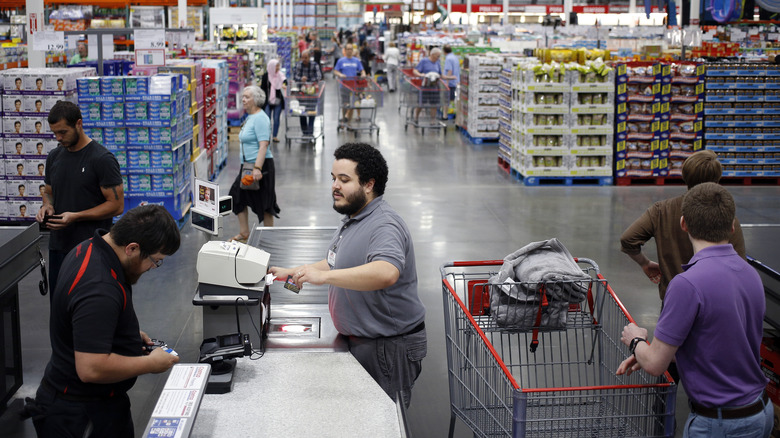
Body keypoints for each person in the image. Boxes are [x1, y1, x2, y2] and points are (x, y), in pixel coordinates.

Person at [269, 143, 427, 408]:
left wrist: (325, 279)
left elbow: (386, 272)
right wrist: (293, 272)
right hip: (366, 340)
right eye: (333, 179)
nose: (335, 186)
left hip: (387, 347)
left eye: (344, 180)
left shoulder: (384, 225)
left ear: (368, 184)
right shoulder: (355, 218)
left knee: (381, 420)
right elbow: (336, 262)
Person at [617, 182, 772, 438]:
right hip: (759, 413)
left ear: (683, 224)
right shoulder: (750, 274)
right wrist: (656, 352)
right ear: (732, 226)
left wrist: (636, 341)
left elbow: (655, 365)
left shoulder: (687, 284)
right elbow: (723, 342)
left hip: (719, 425)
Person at [26, 204, 181, 438]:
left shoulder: (88, 248)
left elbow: (80, 319)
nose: (153, 267)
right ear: (132, 248)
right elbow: (91, 368)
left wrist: (119, 330)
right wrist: (151, 364)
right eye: (155, 260)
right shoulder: (99, 288)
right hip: (80, 416)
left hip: (86, 402)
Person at [620, 150, 746, 302]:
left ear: (685, 176)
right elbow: (739, 266)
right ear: (717, 179)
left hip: (673, 300)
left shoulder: (662, 210)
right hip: (714, 302)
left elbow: (628, 239)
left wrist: (645, 263)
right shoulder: (726, 216)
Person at [37, 101, 124, 299]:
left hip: (92, 248)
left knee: (88, 305)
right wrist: (47, 205)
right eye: (55, 133)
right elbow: (48, 191)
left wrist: (76, 216)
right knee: (60, 308)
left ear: (78, 124)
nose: (59, 138)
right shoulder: (54, 156)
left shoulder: (102, 159)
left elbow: (116, 205)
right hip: (59, 248)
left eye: (63, 132)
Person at [228, 86, 280, 243]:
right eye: (243, 96)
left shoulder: (261, 118)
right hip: (247, 166)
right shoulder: (250, 116)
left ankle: (269, 237)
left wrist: (257, 168)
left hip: (260, 167)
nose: (243, 99)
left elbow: (264, 145)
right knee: (237, 197)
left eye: (247, 97)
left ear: (256, 100)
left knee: (265, 204)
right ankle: (244, 232)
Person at [293, 49, 323, 139]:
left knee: (311, 112)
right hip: (301, 93)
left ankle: (310, 132)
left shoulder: (315, 65)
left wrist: (309, 81)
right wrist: (301, 78)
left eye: (306, 57)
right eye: (303, 57)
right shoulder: (298, 65)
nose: (304, 59)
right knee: (302, 112)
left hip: (312, 93)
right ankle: (304, 132)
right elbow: (295, 76)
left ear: (310, 57)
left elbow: (319, 76)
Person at [333, 44, 366, 123]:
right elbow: (335, 71)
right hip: (344, 85)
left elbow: (362, 70)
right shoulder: (341, 61)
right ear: (345, 50)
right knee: (345, 104)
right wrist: (340, 74)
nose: (349, 51)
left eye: (351, 49)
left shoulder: (356, 60)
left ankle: (349, 122)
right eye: (348, 49)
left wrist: (363, 74)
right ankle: (344, 117)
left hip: (354, 86)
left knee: (352, 105)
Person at [412, 47, 443, 123]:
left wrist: (450, 77)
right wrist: (420, 74)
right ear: (432, 54)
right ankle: (416, 117)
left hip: (434, 87)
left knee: (434, 104)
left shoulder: (437, 63)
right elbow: (415, 70)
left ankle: (433, 119)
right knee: (421, 103)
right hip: (424, 87)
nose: (438, 58)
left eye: (439, 56)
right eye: (437, 56)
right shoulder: (424, 61)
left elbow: (440, 74)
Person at [260, 59, 286, 143]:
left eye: (278, 66)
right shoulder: (265, 76)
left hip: (278, 100)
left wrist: (284, 85)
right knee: (267, 119)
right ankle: (266, 137)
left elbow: (285, 81)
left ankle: (274, 136)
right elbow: (262, 89)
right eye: (276, 66)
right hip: (267, 100)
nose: (278, 68)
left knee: (276, 118)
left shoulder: (280, 75)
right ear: (271, 67)